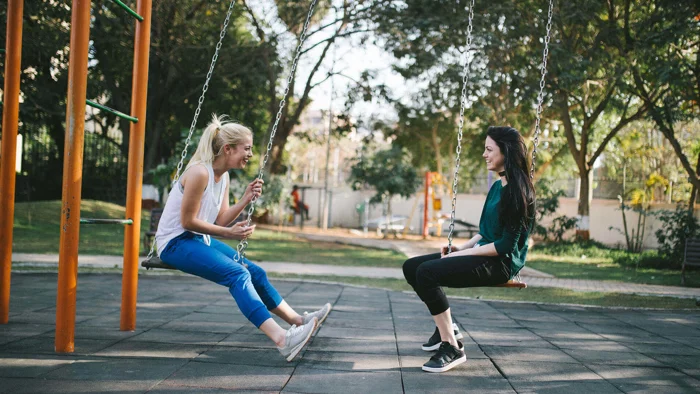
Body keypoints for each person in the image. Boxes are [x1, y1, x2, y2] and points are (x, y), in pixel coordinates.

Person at [155, 114, 331, 362]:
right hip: (175, 243)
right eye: (246, 148)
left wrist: (246, 198)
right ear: (228, 149)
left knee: (255, 272)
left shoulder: (223, 176)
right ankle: (282, 339)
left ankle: (298, 320)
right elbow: (187, 222)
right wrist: (229, 234)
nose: (249, 154)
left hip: (196, 240)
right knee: (237, 274)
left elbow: (222, 219)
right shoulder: (199, 173)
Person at [402, 126, 536, 373]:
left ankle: (451, 347)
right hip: (485, 251)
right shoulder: (497, 187)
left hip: (502, 262)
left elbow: (505, 245)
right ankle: (447, 327)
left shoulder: (519, 192)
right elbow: (485, 232)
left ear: (506, 151)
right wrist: (460, 247)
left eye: (489, 149)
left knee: (427, 273)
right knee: (412, 267)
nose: (484, 154)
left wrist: (464, 254)